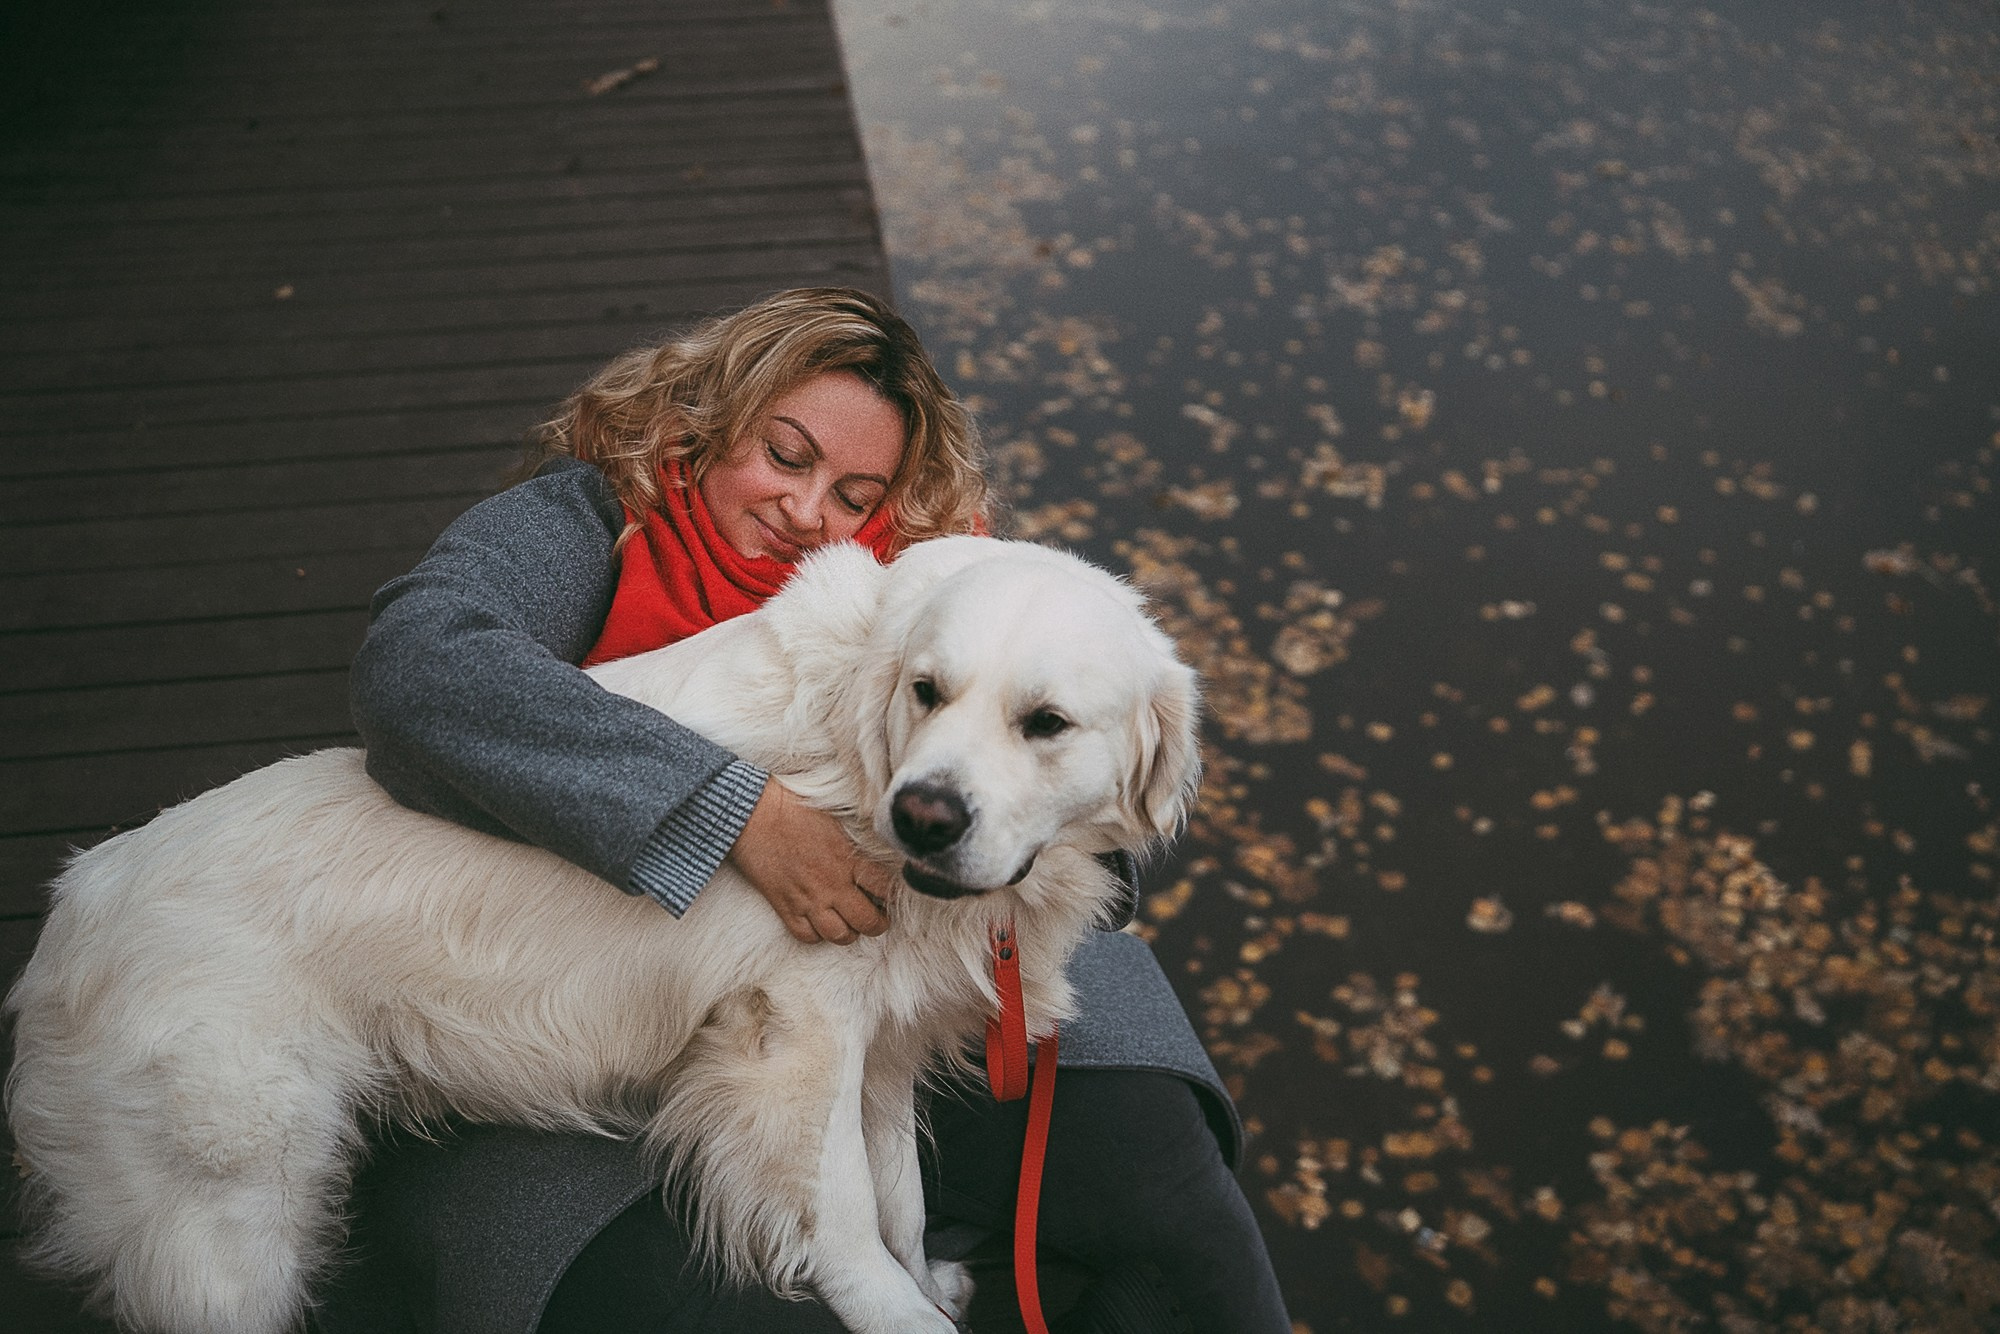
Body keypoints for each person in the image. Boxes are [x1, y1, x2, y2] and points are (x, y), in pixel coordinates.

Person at [323, 288, 1291, 1333]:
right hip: (565, 1000)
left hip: (909, 996)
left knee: (1177, 1200)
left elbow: (1073, 765)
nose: (806, 511)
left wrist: (1020, 830)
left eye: (854, 491)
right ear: (700, 426)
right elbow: (420, 669)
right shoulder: (590, 520)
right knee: (741, 1311)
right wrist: (733, 811)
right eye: (783, 456)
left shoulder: (937, 586)